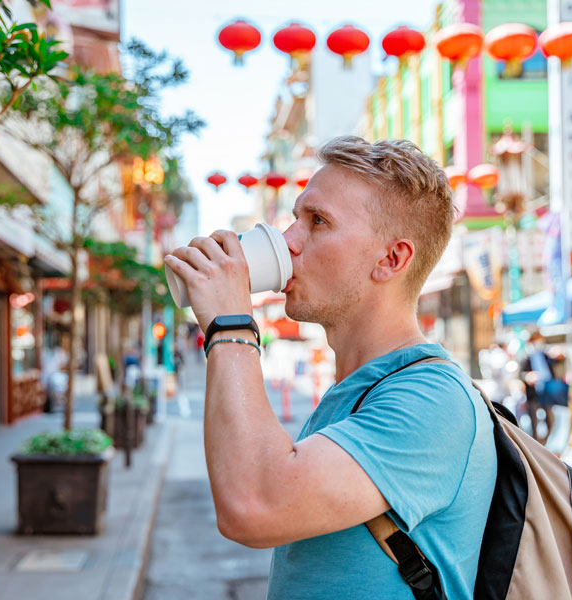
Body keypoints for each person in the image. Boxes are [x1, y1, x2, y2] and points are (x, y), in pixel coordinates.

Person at [164, 136, 497, 599]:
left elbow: (253, 506)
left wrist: (231, 325)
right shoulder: (359, 388)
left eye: (317, 222)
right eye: (296, 217)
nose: (288, 241)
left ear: (391, 259)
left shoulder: (432, 400)